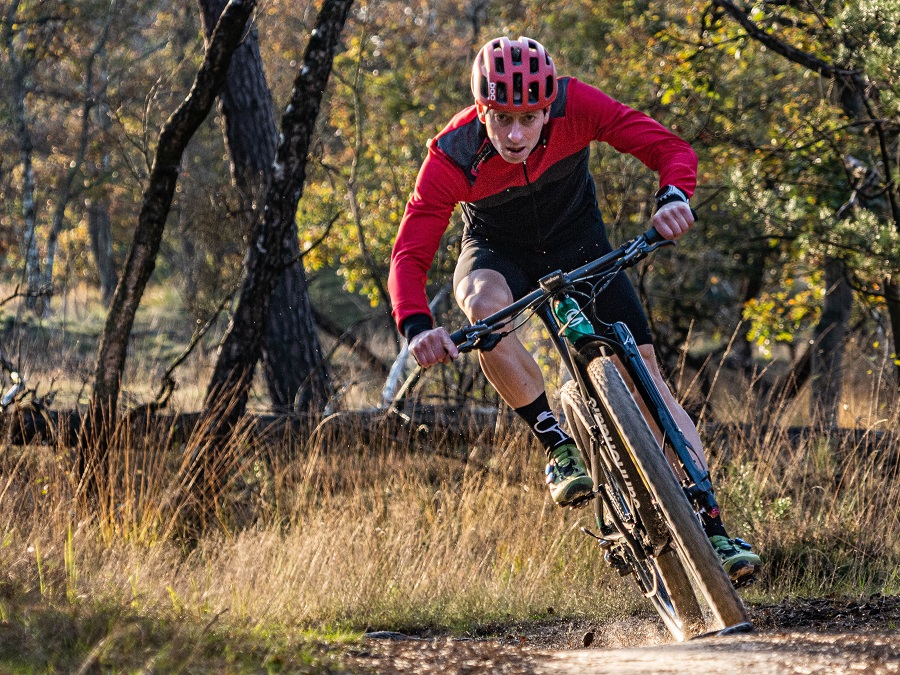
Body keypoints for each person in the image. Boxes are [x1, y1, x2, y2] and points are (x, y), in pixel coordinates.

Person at [387, 36, 760, 585]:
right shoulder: (452, 155)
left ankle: (713, 525)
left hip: (582, 247)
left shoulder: (578, 104)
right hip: (497, 253)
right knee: (482, 306)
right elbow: (410, 252)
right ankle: (557, 443)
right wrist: (417, 326)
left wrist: (674, 197)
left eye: (530, 118)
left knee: (648, 380)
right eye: (501, 118)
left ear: (548, 108)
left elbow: (671, 150)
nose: (515, 135)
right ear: (481, 110)